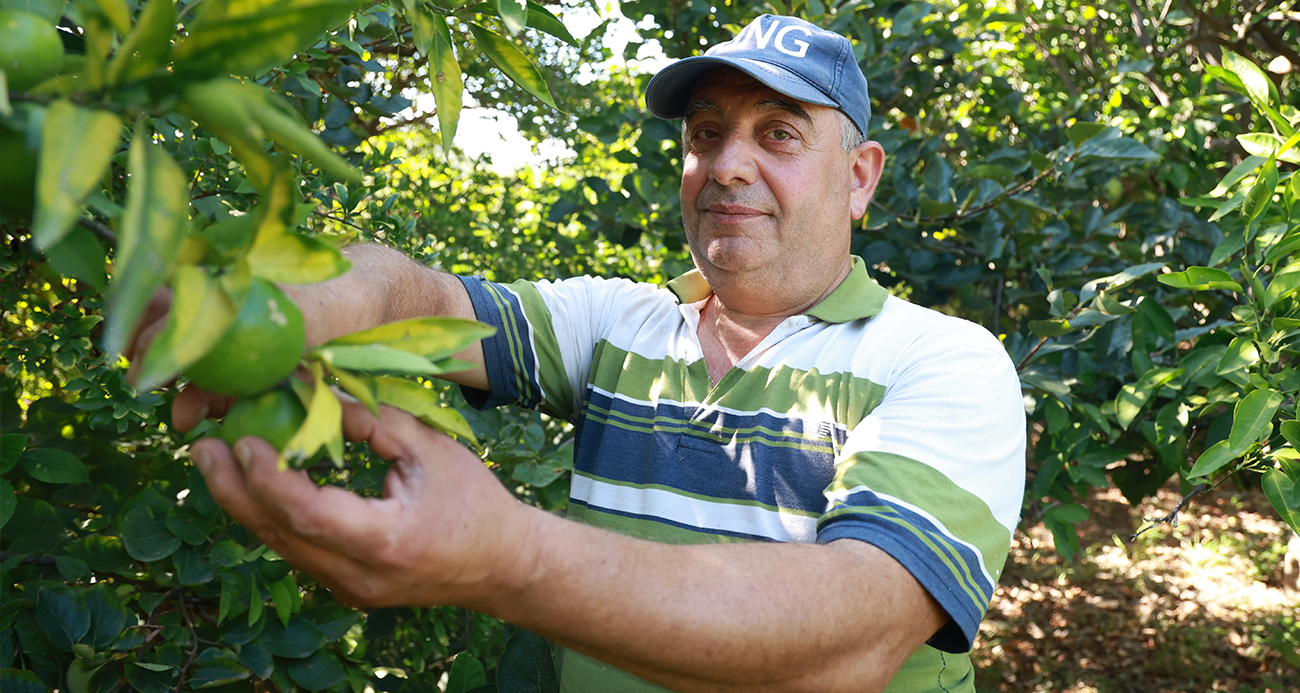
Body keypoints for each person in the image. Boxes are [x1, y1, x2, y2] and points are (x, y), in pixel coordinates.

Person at [131, 14, 1025, 693]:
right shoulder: (624, 323)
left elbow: (851, 634)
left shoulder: (944, 361)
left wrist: (509, 559)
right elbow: (430, 299)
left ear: (861, 176)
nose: (727, 165)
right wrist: (324, 299)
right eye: (707, 133)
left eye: (778, 133)